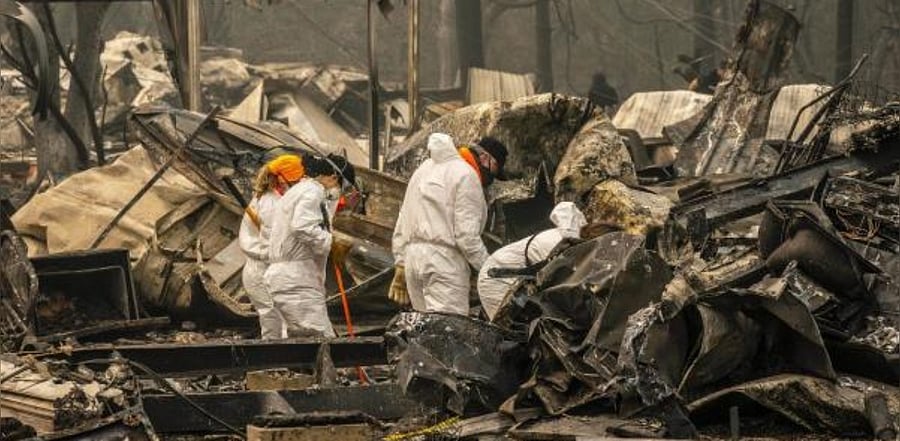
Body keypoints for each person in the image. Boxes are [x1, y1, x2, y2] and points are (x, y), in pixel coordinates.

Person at [389, 132, 508, 315]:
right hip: (444, 265)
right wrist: (490, 269)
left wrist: (401, 262)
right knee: (448, 333)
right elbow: (466, 237)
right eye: (494, 169)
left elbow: (403, 218)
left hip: (413, 262)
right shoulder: (466, 176)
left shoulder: (423, 170)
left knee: (423, 331)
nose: (491, 176)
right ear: (484, 157)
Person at [264, 152, 356, 338]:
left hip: (290, 277)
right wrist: (332, 242)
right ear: (334, 177)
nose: (339, 193)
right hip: (296, 280)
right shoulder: (312, 192)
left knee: (301, 342)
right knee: (321, 341)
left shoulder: (300, 190)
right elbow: (302, 226)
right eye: (343, 186)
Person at [476, 202, 587, 321]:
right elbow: (565, 285)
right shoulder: (555, 244)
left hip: (523, 277)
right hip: (497, 278)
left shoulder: (572, 245)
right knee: (513, 325)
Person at [239, 154, 303, 339]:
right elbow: (276, 245)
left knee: (282, 319)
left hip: (270, 267)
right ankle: (275, 363)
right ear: (281, 179)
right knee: (275, 320)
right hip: (262, 270)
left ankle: (281, 363)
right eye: (295, 180)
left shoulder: (278, 199)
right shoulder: (270, 204)